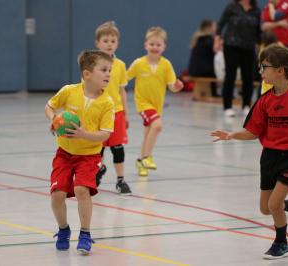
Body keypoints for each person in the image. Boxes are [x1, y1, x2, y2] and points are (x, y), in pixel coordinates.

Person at [211, 45, 288, 259]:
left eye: (264, 67)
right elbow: (253, 131)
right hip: (269, 157)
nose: (260, 72)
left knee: (274, 204)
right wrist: (231, 135)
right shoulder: (264, 101)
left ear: (280, 71)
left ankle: (281, 243)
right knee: (266, 208)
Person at [45, 50, 115, 254]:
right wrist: (53, 119)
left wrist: (83, 134)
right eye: (103, 70)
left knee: (81, 190)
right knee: (57, 195)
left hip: (89, 156)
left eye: (109, 70)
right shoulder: (69, 91)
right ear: (87, 74)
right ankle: (64, 229)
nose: (108, 74)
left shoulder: (107, 103)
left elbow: (104, 135)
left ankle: (85, 233)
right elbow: (49, 106)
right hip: (64, 153)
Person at [127, 26, 184, 176]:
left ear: (164, 47)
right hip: (143, 104)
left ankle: (140, 161)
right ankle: (147, 157)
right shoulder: (138, 63)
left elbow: (172, 86)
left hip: (157, 106)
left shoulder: (166, 65)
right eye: (152, 44)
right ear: (145, 45)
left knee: (148, 134)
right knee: (157, 126)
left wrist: (177, 86)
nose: (154, 47)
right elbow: (124, 78)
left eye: (158, 44)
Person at [94, 21, 132, 195]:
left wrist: (126, 113)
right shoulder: (92, 64)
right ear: (98, 43)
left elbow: (122, 90)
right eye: (106, 40)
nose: (109, 44)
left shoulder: (121, 65)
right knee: (97, 148)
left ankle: (120, 180)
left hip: (116, 112)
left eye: (113, 41)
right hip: (97, 113)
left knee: (118, 148)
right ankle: (97, 170)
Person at [215, 0, 261, 117]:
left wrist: (260, 46)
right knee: (230, 75)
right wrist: (217, 39)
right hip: (231, 45)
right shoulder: (232, 6)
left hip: (249, 47)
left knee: (248, 76)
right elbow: (221, 24)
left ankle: (246, 105)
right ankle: (227, 106)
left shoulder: (255, 10)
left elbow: (258, 31)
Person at [188, 19, 218, 97]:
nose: (216, 28)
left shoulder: (198, 38)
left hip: (194, 70)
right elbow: (216, 51)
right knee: (218, 72)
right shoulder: (208, 40)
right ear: (210, 28)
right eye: (215, 26)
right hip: (201, 71)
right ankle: (214, 93)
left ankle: (213, 93)